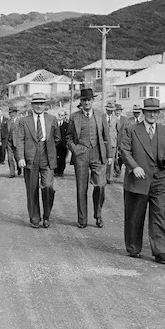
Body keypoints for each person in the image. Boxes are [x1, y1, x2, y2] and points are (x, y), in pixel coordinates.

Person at [119, 98, 165, 263]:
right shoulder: (131, 130)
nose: (152, 114)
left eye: (155, 111)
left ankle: (160, 250)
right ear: (143, 113)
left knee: (159, 215)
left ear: (159, 113)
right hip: (137, 180)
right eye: (149, 111)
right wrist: (134, 167)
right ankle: (133, 247)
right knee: (135, 216)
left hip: (159, 181)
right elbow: (124, 150)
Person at [65, 88, 112, 229]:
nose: (86, 102)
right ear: (81, 101)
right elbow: (68, 137)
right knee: (81, 188)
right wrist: (75, 149)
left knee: (100, 185)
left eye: (89, 100)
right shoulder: (74, 117)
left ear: (93, 101)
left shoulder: (100, 115)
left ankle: (98, 215)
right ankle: (82, 219)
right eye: (84, 100)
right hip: (81, 155)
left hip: (97, 154)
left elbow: (106, 136)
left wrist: (109, 155)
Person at [16, 92, 60, 228]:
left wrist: (50, 149)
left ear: (45, 105)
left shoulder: (52, 119)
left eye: (42, 103)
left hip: (47, 157)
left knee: (48, 187)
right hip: (30, 158)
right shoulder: (24, 121)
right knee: (32, 189)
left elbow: (57, 138)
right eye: (36, 103)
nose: (39, 106)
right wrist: (21, 157)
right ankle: (35, 218)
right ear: (32, 105)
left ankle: (47, 216)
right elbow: (20, 140)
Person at [104, 101, 119, 183]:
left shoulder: (116, 118)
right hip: (103, 142)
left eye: (111, 110)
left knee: (111, 161)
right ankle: (102, 177)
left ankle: (109, 178)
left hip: (113, 143)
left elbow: (119, 130)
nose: (110, 111)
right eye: (108, 110)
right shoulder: (102, 117)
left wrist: (117, 142)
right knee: (103, 160)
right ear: (106, 110)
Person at [5, 105, 20, 178]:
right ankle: (12, 173)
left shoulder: (20, 121)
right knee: (10, 158)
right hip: (9, 142)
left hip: (17, 142)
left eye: (11, 113)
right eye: (9, 113)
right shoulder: (7, 122)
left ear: (15, 113)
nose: (10, 114)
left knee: (17, 158)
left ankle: (19, 167)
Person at [55, 109, 69, 176]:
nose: (60, 116)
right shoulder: (54, 124)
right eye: (59, 115)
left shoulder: (66, 125)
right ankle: (55, 170)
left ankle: (61, 171)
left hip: (63, 145)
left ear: (64, 116)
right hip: (56, 145)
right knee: (55, 158)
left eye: (62, 115)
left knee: (62, 158)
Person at [112, 103, 125, 177]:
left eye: (119, 110)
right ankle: (115, 171)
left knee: (121, 157)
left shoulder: (124, 119)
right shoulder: (112, 118)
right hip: (113, 141)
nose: (117, 112)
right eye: (116, 110)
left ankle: (118, 170)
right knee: (113, 157)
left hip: (121, 141)